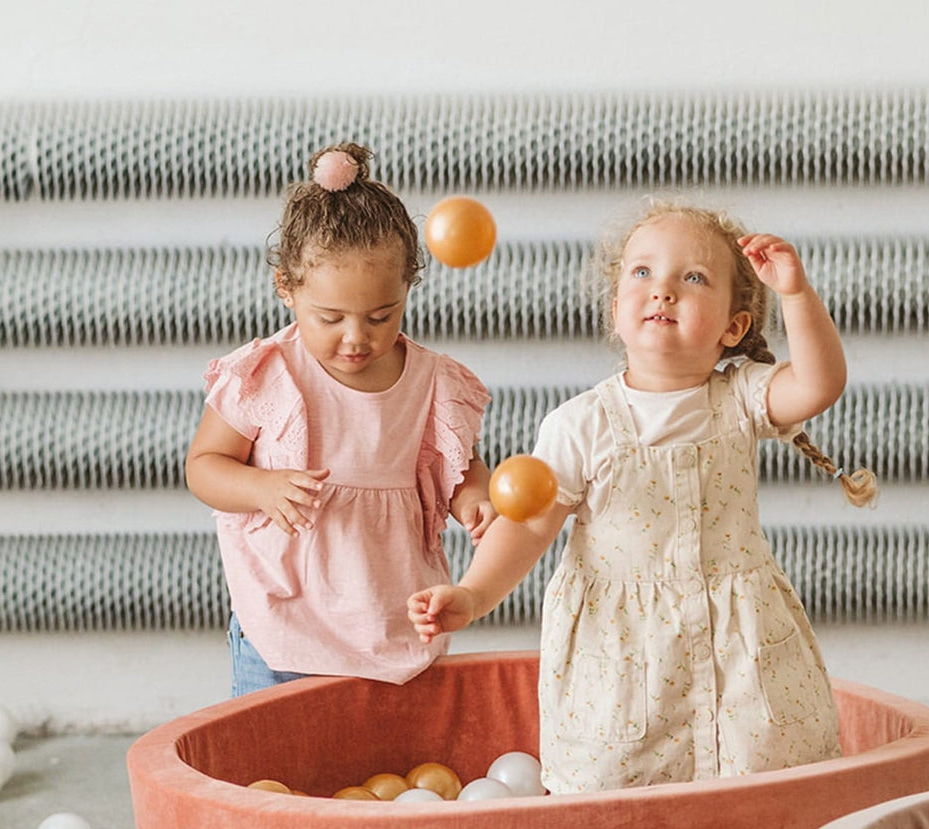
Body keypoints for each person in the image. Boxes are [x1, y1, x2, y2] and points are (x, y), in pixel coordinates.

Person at [408, 199, 877, 793]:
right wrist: (474, 594)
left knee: (761, 781)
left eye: (694, 278)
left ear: (732, 327)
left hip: (738, 645)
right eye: (642, 273)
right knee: (618, 791)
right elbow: (528, 525)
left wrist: (796, 294)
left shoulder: (741, 397)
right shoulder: (581, 425)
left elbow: (818, 383)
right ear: (616, 312)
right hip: (625, 656)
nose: (663, 291)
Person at [186, 142, 495, 696]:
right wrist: (260, 486)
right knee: (273, 769)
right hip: (282, 623)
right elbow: (204, 467)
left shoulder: (431, 382)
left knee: (380, 771)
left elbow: (460, 466)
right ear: (287, 288)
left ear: (408, 288)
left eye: (382, 315)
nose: (357, 338)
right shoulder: (268, 375)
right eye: (329, 318)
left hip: (389, 613)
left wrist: (475, 500)